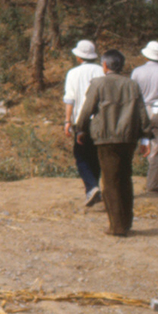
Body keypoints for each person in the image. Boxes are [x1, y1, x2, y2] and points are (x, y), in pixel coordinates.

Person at [73, 49, 149, 236]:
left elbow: (87, 109)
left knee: (110, 182)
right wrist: (145, 137)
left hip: (106, 138)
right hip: (128, 138)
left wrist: (80, 129)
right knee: (125, 179)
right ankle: (126, 222)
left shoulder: (98, 84)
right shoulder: (132, 85)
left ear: (104, 65)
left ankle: (116, 226)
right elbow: (142, 113)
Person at [63, 39, 105, 207]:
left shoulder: (73, 73)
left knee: (81, 156)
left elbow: (70, 99)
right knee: (95, 156)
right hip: (101, 121)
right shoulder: (102, 71)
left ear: (79, 57)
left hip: (81, 121)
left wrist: (67, 121)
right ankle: (93, 187)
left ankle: (92, 187)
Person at [131, 40, 158, 193]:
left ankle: (155, 175)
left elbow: (133, 94)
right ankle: (153, 182)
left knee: (147, 143)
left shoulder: (137, 72)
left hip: (142, 110)